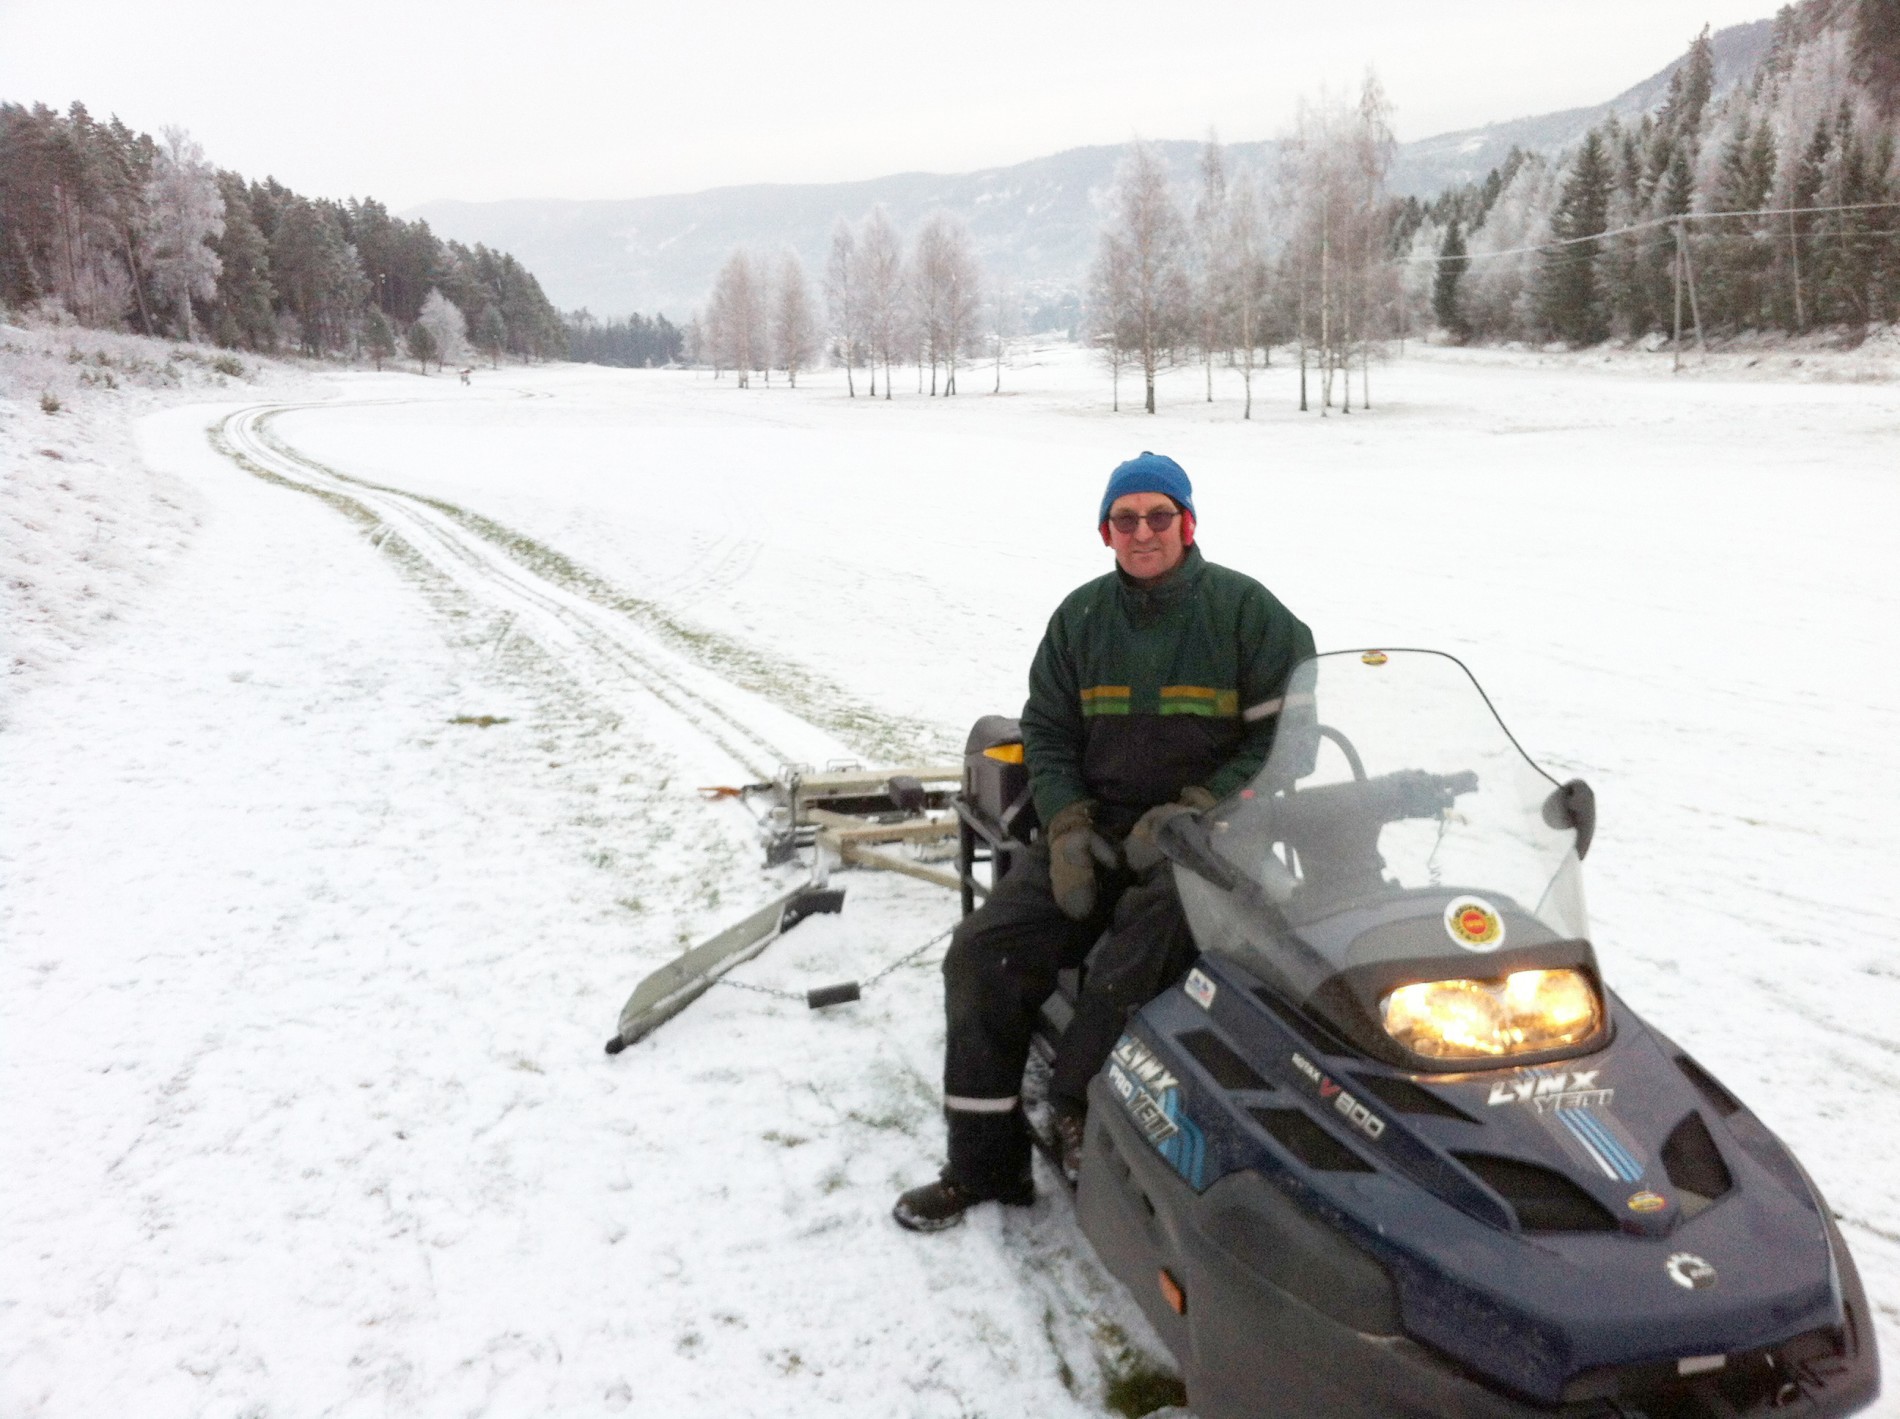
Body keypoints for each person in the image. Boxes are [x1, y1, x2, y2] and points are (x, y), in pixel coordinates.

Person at [893, 452, 1314, 1232]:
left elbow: (1291, 744)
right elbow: (1047, 735)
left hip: (1210, 844)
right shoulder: (1080, 620)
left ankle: (1076, 1102)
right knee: (983, 951)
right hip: (1101, 829)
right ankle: (983, 1165)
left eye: (1159, 516)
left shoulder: (1250, 614)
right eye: (1127, 519)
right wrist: (1066, 828)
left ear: (1187, 524)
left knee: (1143, 940)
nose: (1143, 531)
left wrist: (1196, 808)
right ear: (1105, 530)